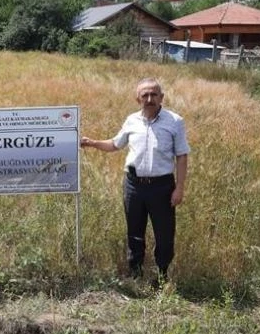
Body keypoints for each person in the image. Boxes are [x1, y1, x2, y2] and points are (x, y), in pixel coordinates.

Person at [80, 77, 189, 286]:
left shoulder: (175, 121)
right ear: (137, 98)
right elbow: (115, 144)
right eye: (145, 95)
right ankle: (136, 274)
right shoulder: (131, 121)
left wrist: (180, 188)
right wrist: (92, 143)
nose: (149, 99)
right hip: (133, 185)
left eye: (154, 94)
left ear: (161, 97)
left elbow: (182, 155)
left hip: (162, 187)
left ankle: (161, 276)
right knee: (134, 231)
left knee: (164, 234)